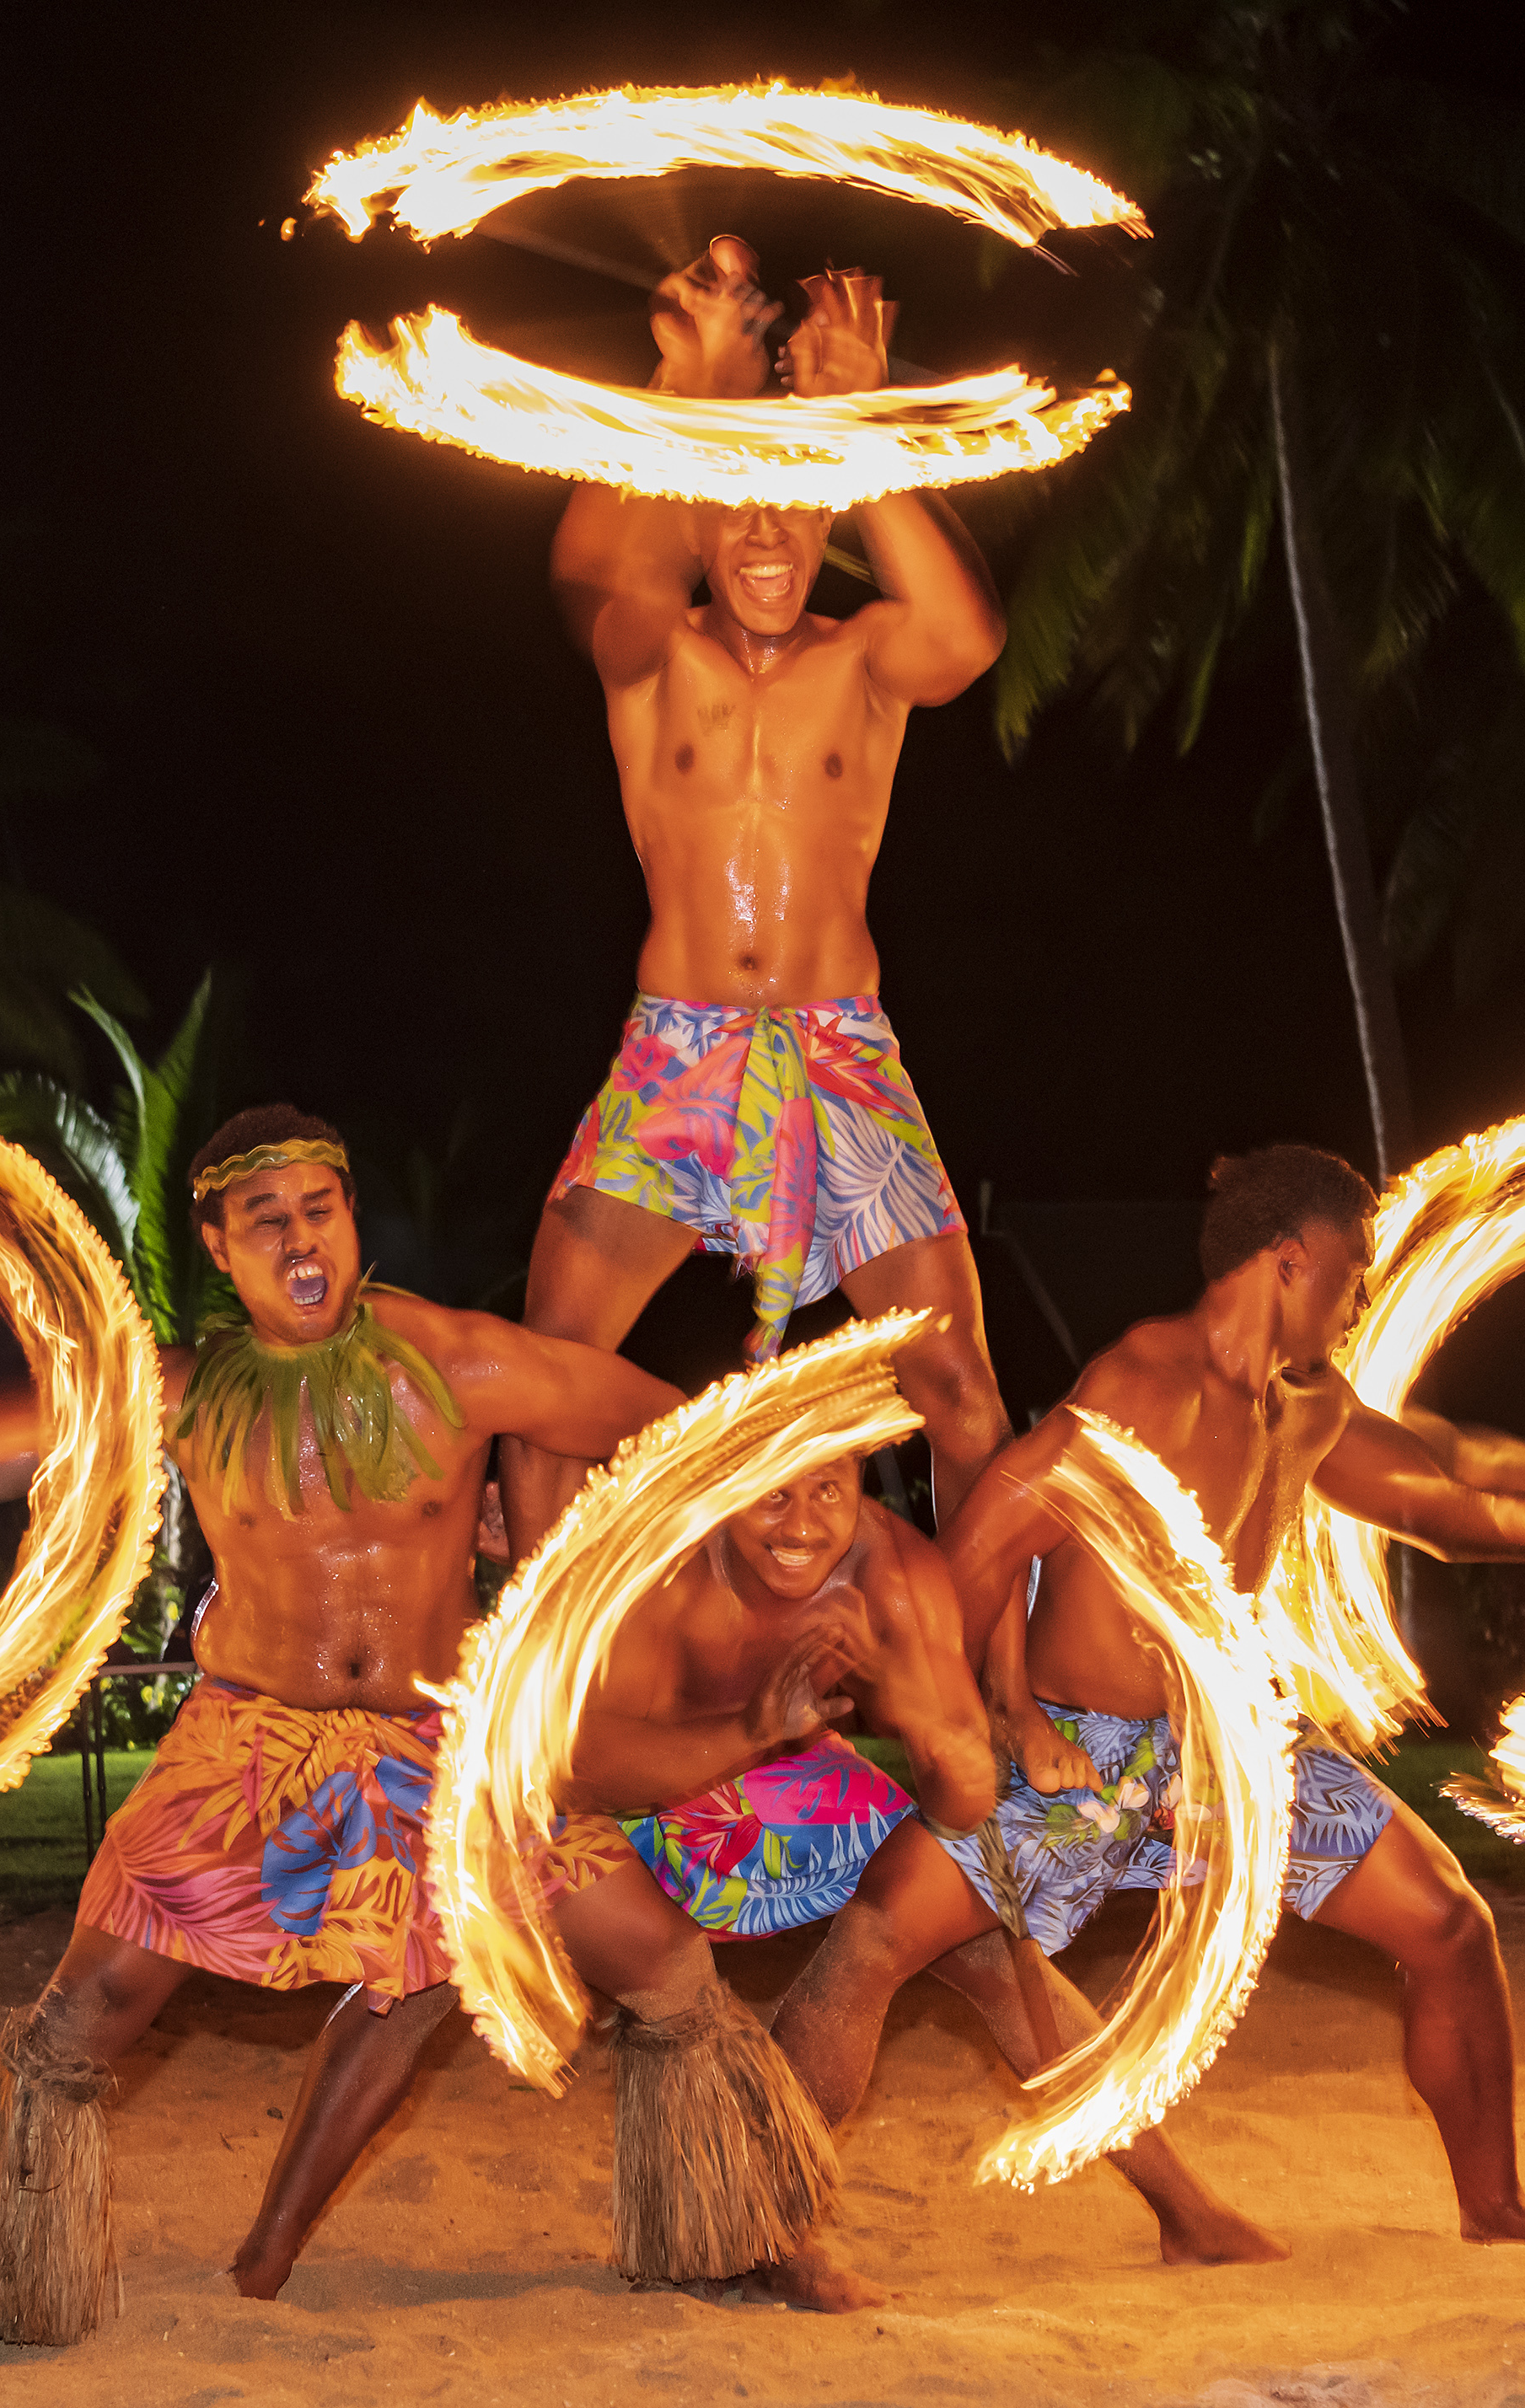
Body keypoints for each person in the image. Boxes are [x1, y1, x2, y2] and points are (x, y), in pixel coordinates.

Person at [0, 1106, 837, 2357]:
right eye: (265, 1219)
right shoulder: (186, 1393)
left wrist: (560, 1526)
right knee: (89, 1999)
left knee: (661, 1961)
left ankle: (756, 2229)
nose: (299, 1236)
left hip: (444, 1736)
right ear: (219, 1246)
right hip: (251, 1744)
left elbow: (666, 1428)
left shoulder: (460, 1362)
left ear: (351, 1218)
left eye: (319, 1206)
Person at [936, 1146, 1525, 2250]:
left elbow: (1442, 1485)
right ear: (1288, 1260)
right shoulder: (1137, 1384)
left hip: (1230, 1745)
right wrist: (1001, 1709)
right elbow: (987, 1547)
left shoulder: (1303, 1406)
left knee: (1447, 1923)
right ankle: (1180, 2213)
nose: (1359, 1305)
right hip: (1087, 1748)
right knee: (917, 1943)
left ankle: (1493, 2205)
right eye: (1350, 1277)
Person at [514, 236, 1018, 1557]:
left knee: (960, 1391)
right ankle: (527, 1717)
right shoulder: (649, 659)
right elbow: (588, 586)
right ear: (687, 511)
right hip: (679, 1050)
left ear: (832, 512)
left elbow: (968, 634)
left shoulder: (862, 660)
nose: (762, 534)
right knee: (545, 1380)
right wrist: (684, 385)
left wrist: (850, 422)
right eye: (729, 504)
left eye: (794, 503)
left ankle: (993, 1707)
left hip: (840, 1053)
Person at [571, 1455, 1289, 2307]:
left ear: (861, 1483)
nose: (799, 1524)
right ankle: (754, 2231)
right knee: (482, 1972)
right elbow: (586, 1762)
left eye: (826, 1491)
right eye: (773, 1492)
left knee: (980, 1944)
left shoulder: (892, 1573)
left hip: (779, 1763)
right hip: (613, 1786)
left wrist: (930, 1725)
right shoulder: (657, 1562)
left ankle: (1185, 2212)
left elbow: (956, 1772)